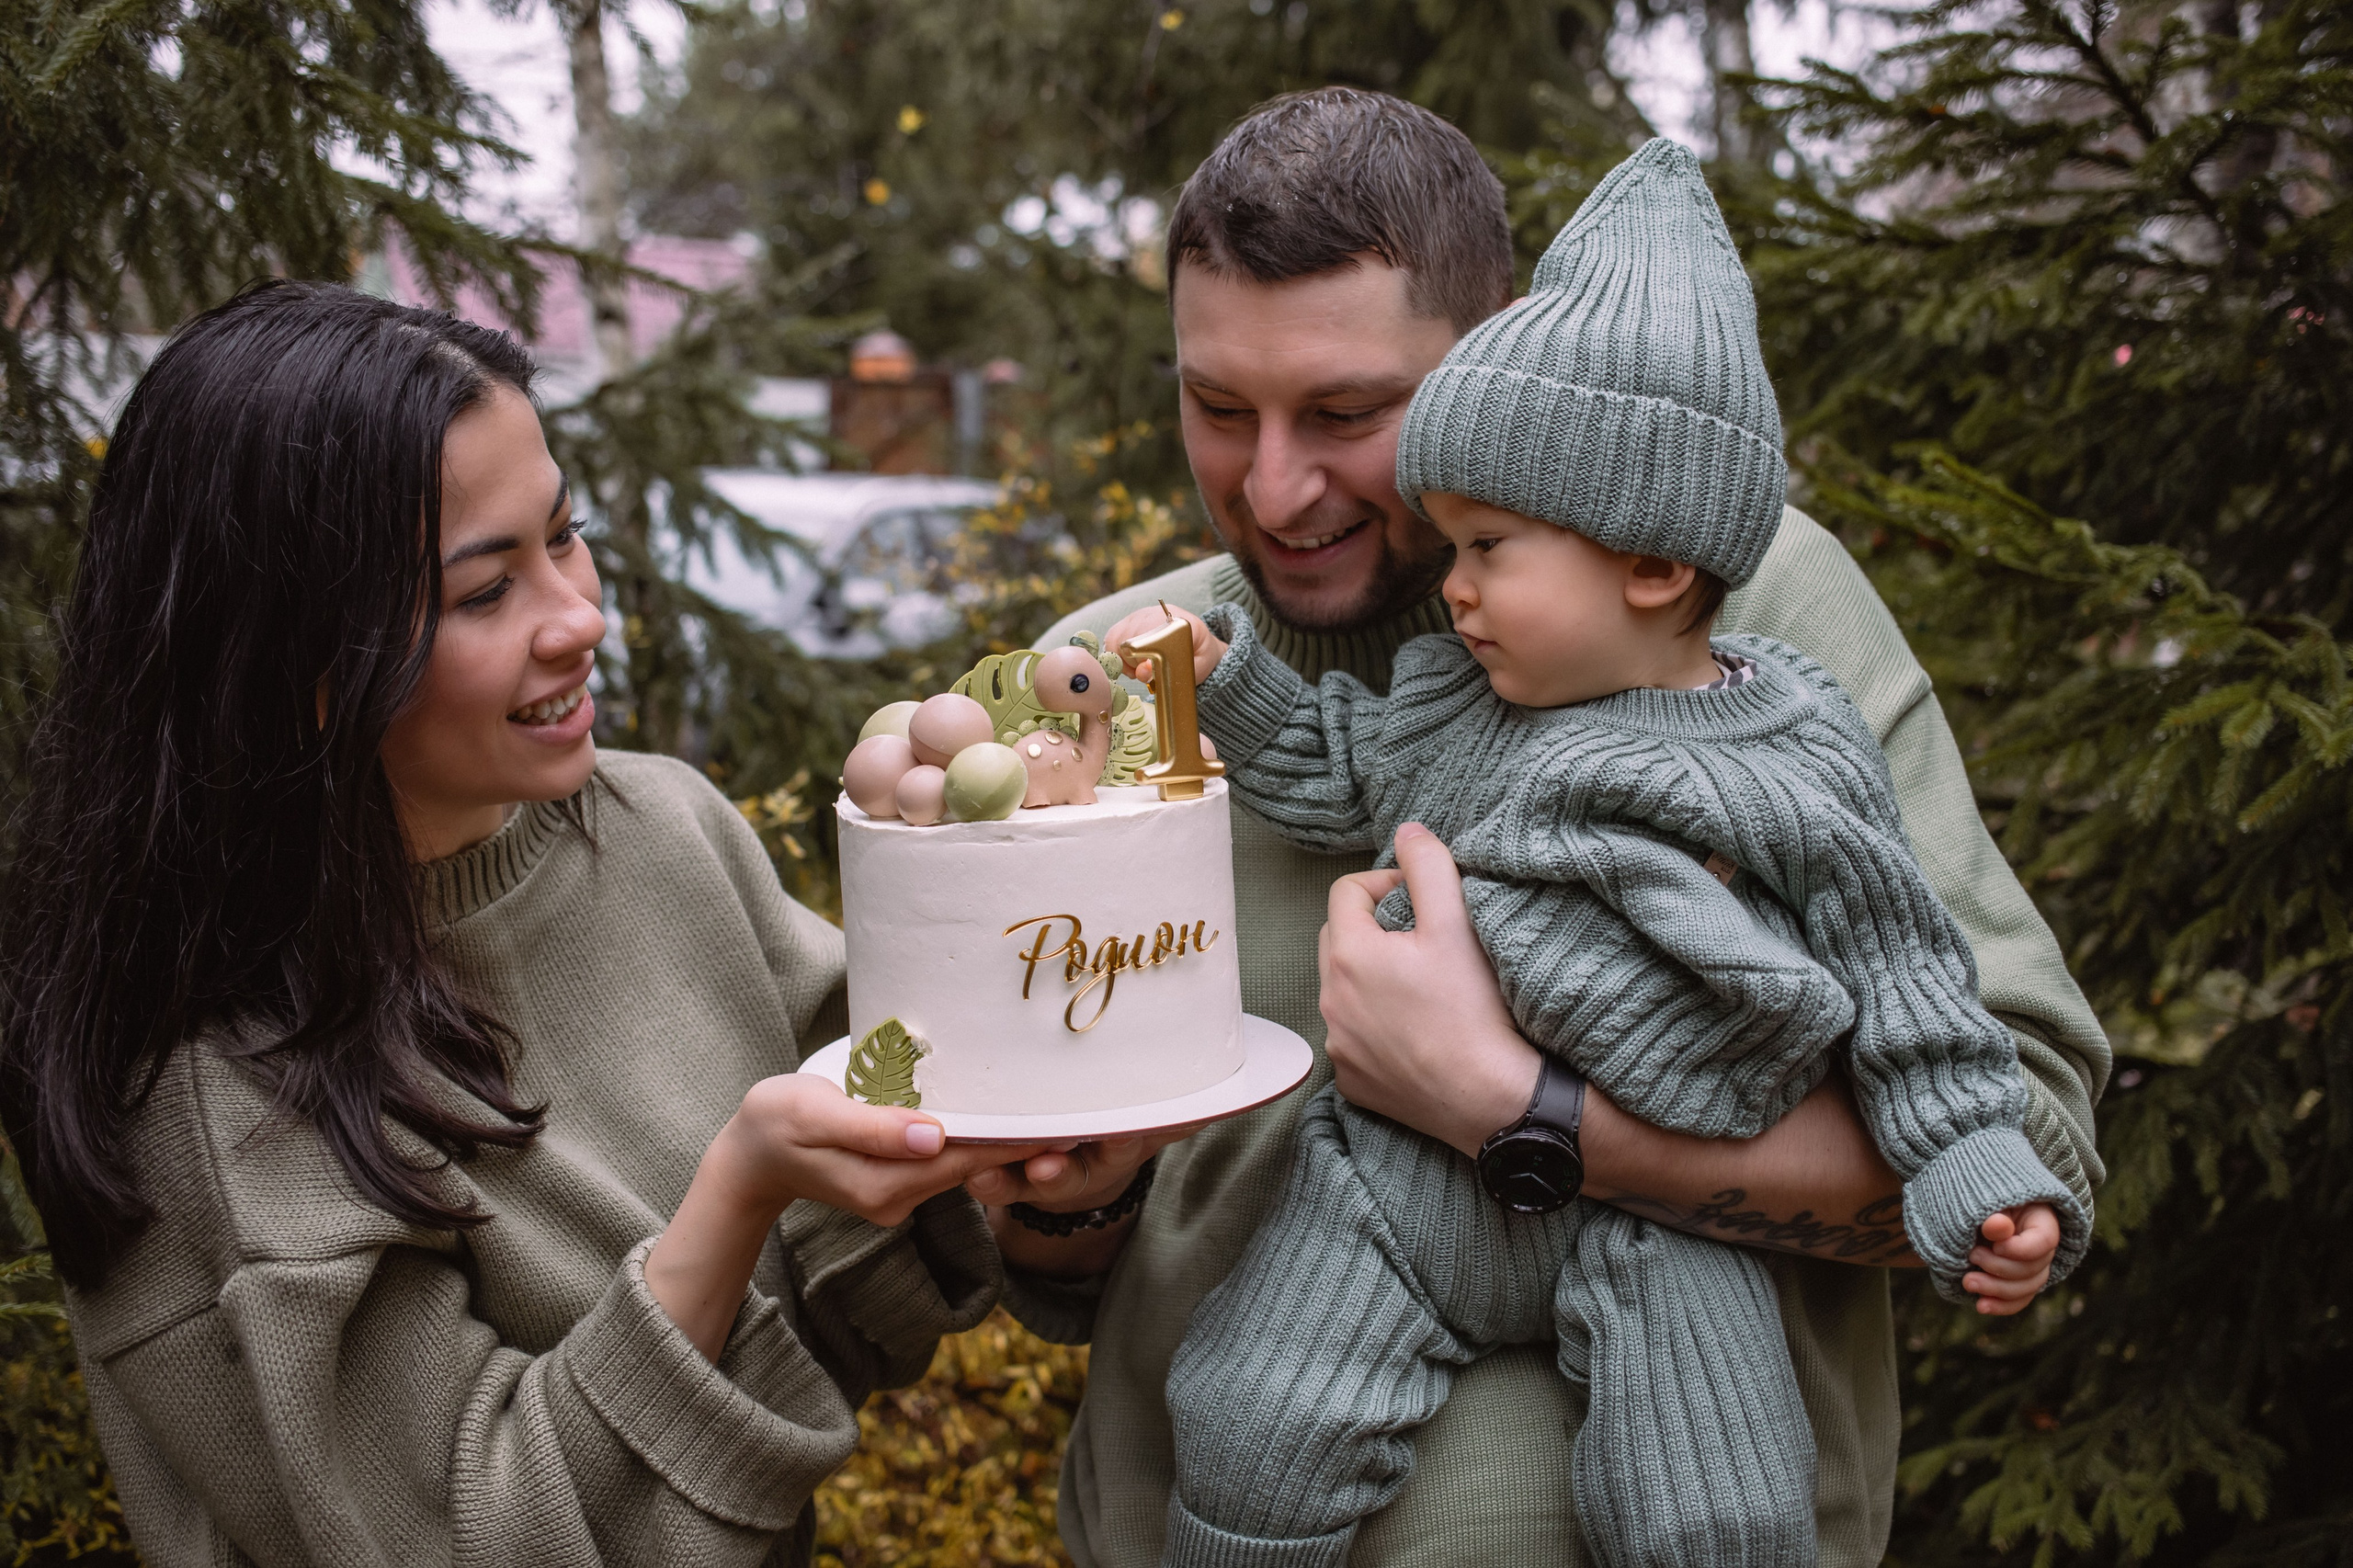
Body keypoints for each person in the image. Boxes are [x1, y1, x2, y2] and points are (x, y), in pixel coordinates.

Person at [967, 88, 2109, 1567]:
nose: (1273, 486)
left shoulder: (1753, 626)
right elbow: (1053, 1291)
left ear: (1499, 354)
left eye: (1347, 413)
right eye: (1216, 405)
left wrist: (1526, 1115)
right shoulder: (1120, 681)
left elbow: (2028, 1143)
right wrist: (1069, 1195)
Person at [0, 281, 1044, 1566]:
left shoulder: (662, 828)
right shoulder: (201, 1087)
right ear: (304, 666)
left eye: (568, 534)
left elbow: (874, 1286)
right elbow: (472, 1529)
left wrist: (1037, 1111)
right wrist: (734, 1198)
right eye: (489, 590)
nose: (581, 616)